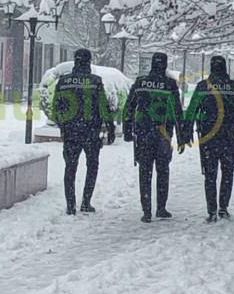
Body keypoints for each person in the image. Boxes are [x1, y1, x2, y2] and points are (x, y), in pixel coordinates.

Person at [123, 52, 191, 223]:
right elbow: (177, 112)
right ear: (165, 65)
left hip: (144, 134)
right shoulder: (169, 84)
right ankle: (161, 208)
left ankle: (146, 210)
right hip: (163, 134)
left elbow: (129, 108)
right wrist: (182, 136)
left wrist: (127, 130)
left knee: (144, 172)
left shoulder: (140, 83)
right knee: (163, 171)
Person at [186, 56, 234, 222]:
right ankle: (223, 207)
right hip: (229, 136)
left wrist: (186, 134)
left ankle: (212, 210)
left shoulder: (203, 87)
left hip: (208, 137)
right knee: (228, 172)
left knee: (210, 174)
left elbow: (191, 112)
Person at [52, 49, 115, 215]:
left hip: (71, 133)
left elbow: (56, 108)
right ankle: (86, 202)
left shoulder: (63, 81)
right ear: (88, 62)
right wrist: (110, 127)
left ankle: (70, 205)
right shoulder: (95, 82)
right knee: (92, 166)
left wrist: (64, 126)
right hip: (91, 133)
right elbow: (103, 107)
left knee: (70, 168)